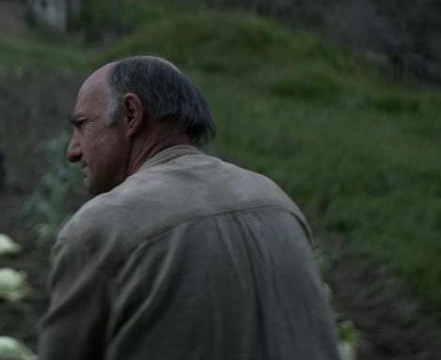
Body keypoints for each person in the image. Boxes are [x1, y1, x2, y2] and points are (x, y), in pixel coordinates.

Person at [38, 55, 339, 359]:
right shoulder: (277, 202)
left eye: (82, 126)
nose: (73, 151)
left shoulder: (102, 227)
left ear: (131, 114)